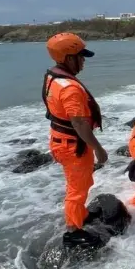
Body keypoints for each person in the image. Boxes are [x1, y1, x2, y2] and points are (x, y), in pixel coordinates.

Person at [41, 32, 108, 248]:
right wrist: (98, 149)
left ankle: (81, 214)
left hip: (63, 141)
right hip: (72, 145)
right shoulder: (69, 88)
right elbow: (79, 123)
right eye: (81, 56)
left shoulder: (52, 77)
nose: (84, 61)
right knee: (76, 189)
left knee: (83, 181)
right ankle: (73, 231)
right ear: (69, 58)